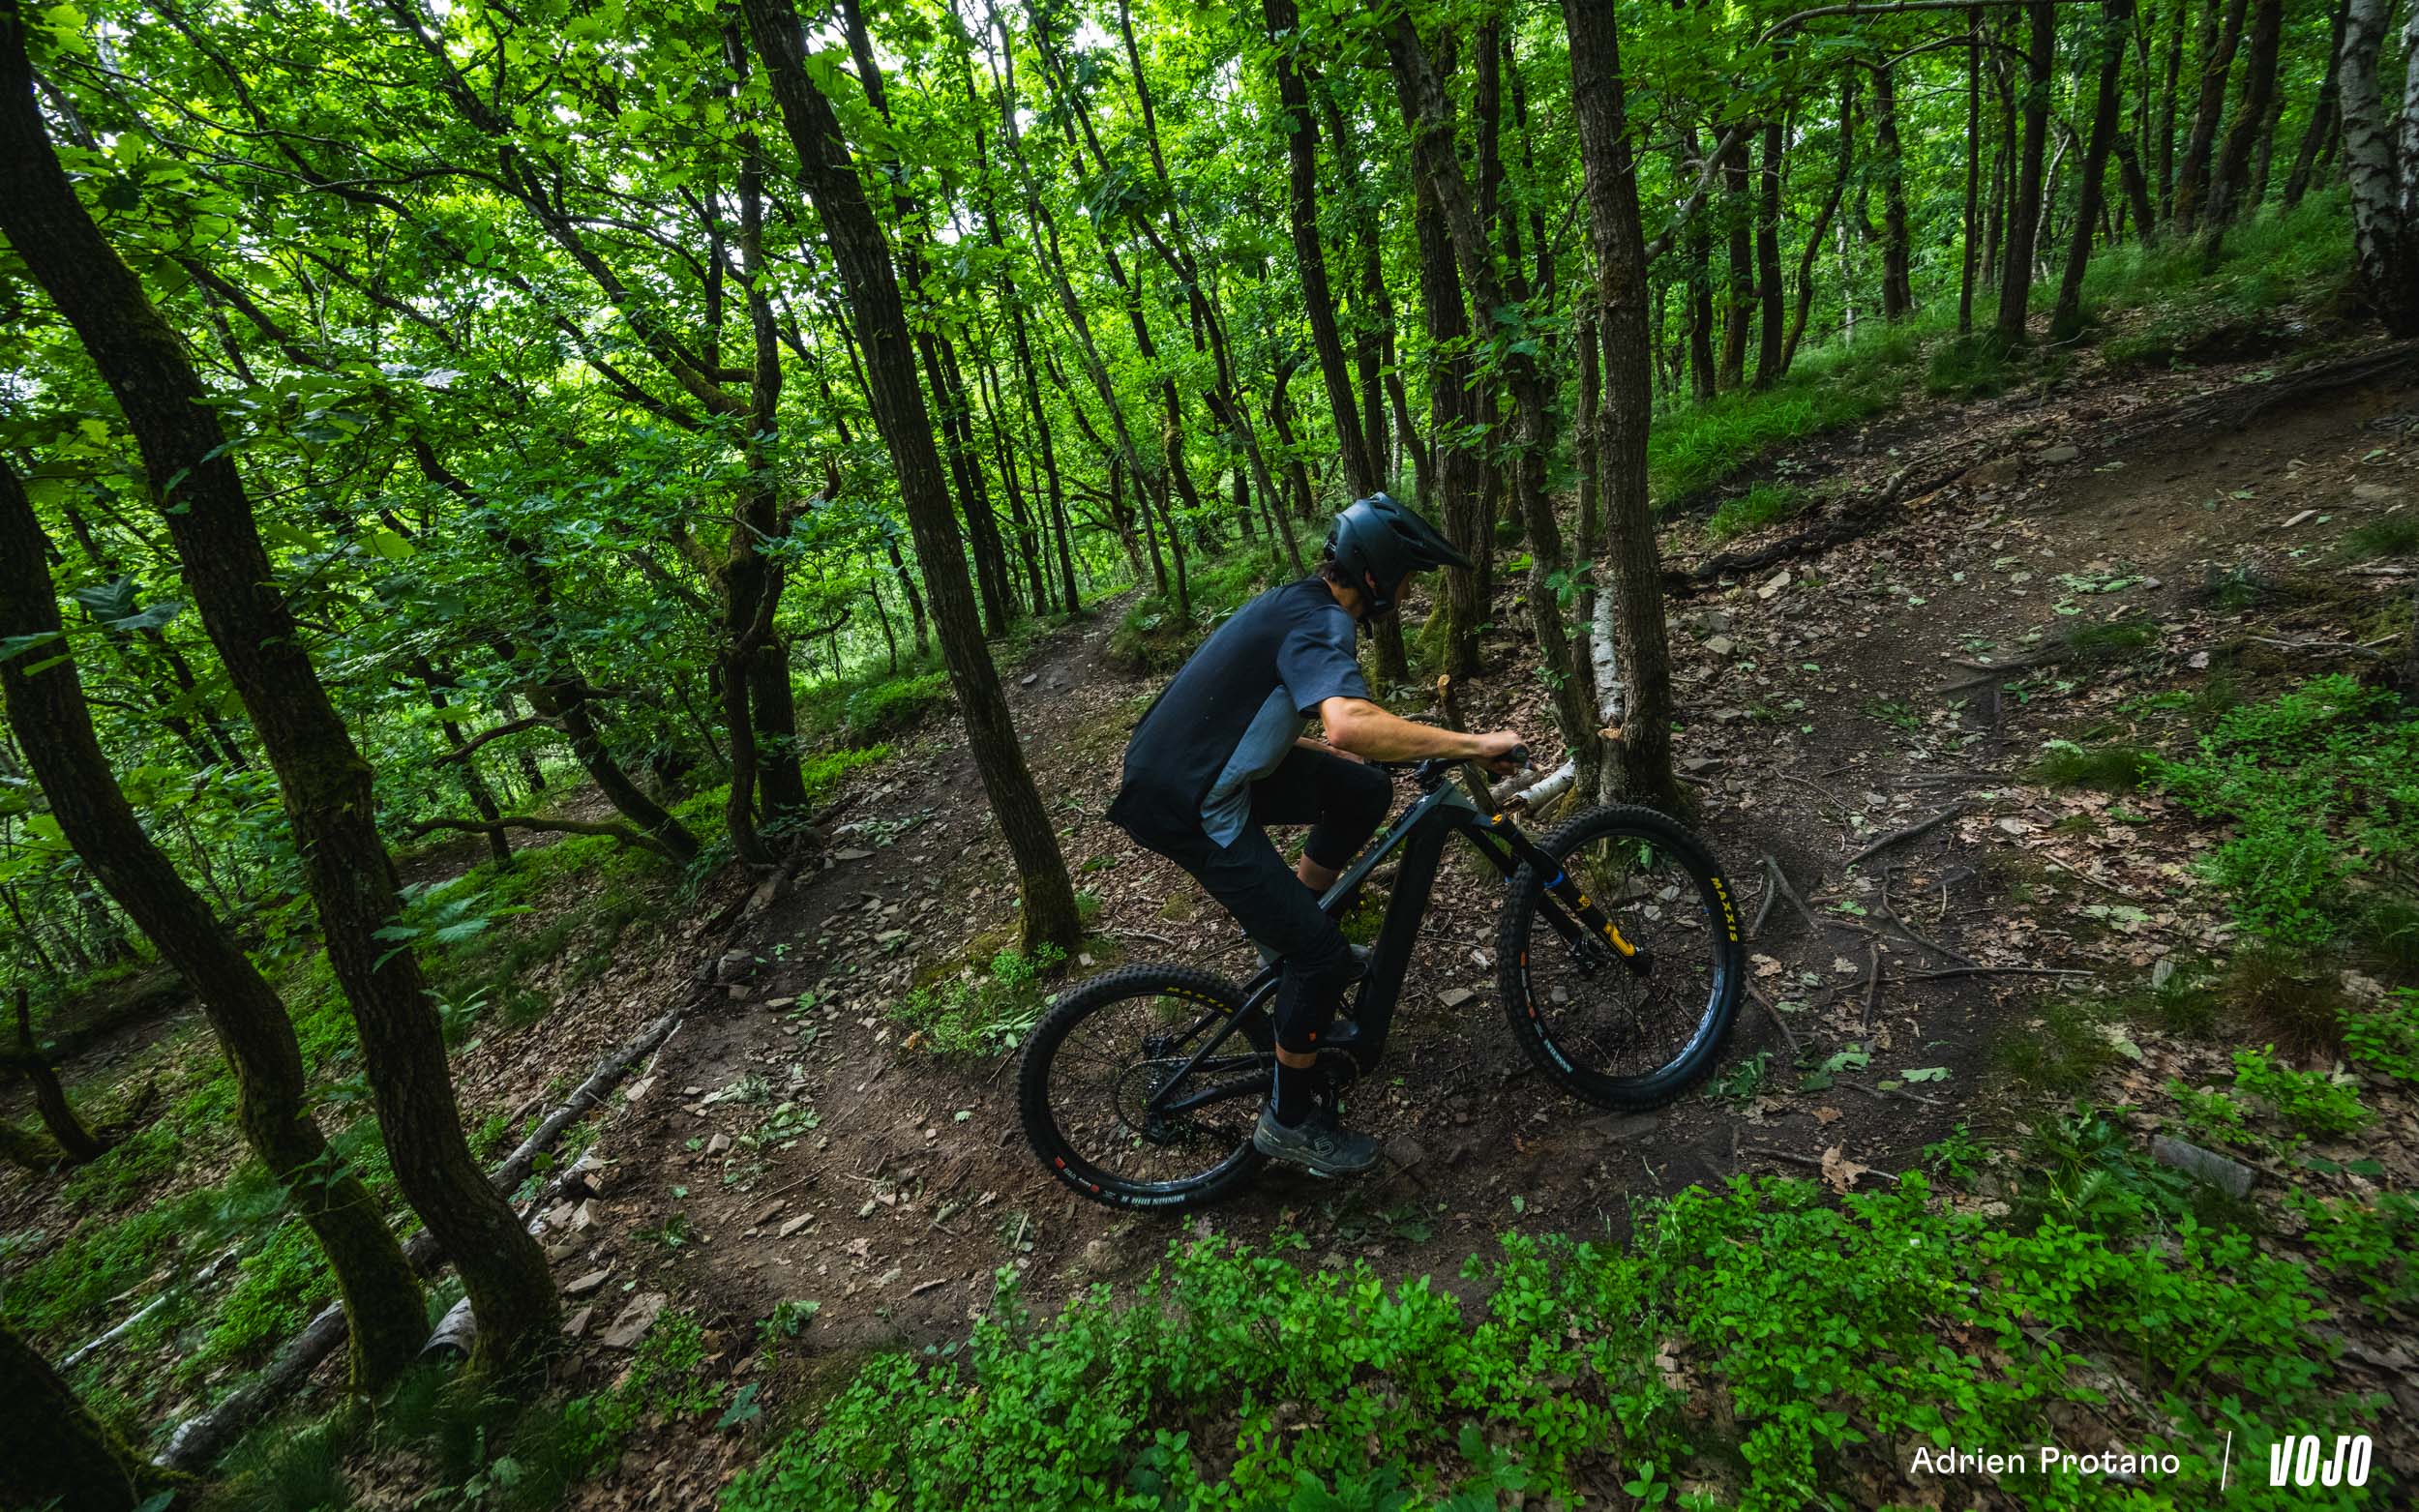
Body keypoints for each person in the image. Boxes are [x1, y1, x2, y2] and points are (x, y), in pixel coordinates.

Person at [1106, 495, 1524, 1176]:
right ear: (1378, 575)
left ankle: (1290, 931)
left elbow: (1256, 704)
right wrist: (1474, 744)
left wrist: (1350, 750)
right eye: (1408, 580)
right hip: (1187, 800)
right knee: (1322, 961)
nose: (1409, 596)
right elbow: (1349, 724)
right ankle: (1290, 1121)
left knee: (1362, 788)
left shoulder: (1297, 602)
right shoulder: (1324, 620)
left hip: (1190, 765)